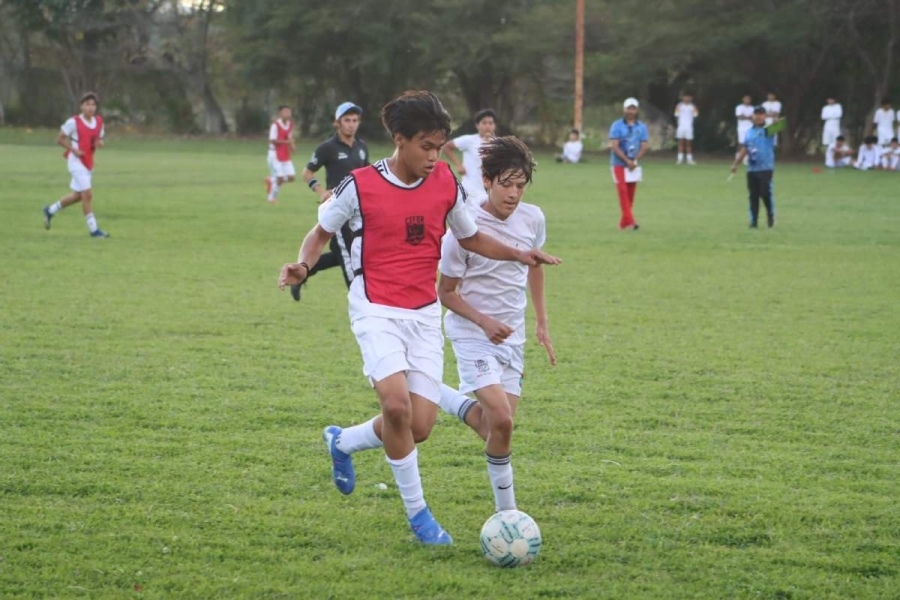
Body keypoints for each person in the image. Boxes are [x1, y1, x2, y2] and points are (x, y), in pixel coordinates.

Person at [277, 91, 560, 545]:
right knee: (396, 406)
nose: (433, 156)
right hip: (374, 307)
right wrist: (303, 266)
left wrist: (519, 254)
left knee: (418, 427)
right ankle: (419, 516)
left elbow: (470, 238)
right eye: (426, 147)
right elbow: (320, 233)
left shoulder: (445, 181)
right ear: (399, 139)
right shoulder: (359, 185)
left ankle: (342, 441)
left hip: (423, 313)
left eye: (439, 147)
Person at [436, 136, 555, 514]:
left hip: (512, 337)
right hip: (472, 332)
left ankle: (433, 392)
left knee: (494, 429)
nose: (514, 194)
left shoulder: (533, 218)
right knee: (503, 420)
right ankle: (508, 515)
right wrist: (484, 322)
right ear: (486, 180)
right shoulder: (464, 225)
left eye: (521, 185)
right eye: (506, 184)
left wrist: (541, 322)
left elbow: (534, 266)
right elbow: (446, 292)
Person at [290, 102, 369, 299]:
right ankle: (360, 298)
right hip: (338, 210)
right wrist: (321, 191)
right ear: (337, 123)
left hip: (358, 211)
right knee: (348, 256)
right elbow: (307, 173)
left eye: (355, 120)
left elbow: (367, 174)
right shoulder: (327, 148)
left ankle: (301, 273)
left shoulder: (362, 147)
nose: (351, 124)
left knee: (340, 254)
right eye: (347, 120)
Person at [42, 91, 109, 238]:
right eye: (87, 104)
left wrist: (100, 143)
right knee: (88, 195)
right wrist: (73, 149)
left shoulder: (99, 122)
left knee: (78, 196)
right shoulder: (73, 122)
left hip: (88, 162)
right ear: (81, 106)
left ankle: (50, 211)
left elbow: (98, 140)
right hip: (75, 162)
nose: (90, 107)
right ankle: (94, 230)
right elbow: (59, 139)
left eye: (93, 105)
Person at [731, 106, 776, 229]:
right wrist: (736, 163)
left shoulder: (768, 129)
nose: (758, 116)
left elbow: (780, 125)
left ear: (765, 116)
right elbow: (745, 148)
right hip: (752, 168)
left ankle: (770, 214)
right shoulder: (749, 132)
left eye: (761, 114)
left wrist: (775, 120)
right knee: (753, 196)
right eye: (756, 114)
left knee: (765, 193)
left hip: (766, 168)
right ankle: (753, 221)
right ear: (753, 116)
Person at [441, 108, 497, 205]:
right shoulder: (469, 140)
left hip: (489, 190)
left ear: (494, 125)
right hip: (470, 189)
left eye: (490, 123)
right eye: (484, 123)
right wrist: (458, 164)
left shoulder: (498, 144)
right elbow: (446, 147)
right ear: (477, 125)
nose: (487, 126)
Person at [609, 97, 648, 231]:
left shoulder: (641, 127)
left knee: (630, 194)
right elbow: (614, 145)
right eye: (628, 108)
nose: (630, 111)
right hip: (618, 163)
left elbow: (644, 146)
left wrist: (634, 160)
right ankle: (631, 221)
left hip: (633, 164)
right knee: (622, 190)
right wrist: (626, 160)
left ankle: (623, 223)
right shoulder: (617, 125)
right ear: (624, 109)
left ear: (636, 110)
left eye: (633, 109)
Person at [265, 105, 296, 203]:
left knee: (291, 177)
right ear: (280, 113)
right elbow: (272, 140)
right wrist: (287, 142)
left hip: (284, 153)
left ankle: (271, 180)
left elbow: (289, 138)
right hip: (274, 154)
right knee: (281, 178)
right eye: (285, 111)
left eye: (289, 112)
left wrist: (292, 146)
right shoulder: (275, 125)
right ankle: (271, 198)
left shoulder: (290, 124)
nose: (288, 114)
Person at [674, 93, 698, 165]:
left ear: (691, 98)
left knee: (689, 144)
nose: (687, 98)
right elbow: (676, 114)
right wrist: (678, 109)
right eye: (685, 97)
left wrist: (695, 109)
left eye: (688, 97)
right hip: (681, 127)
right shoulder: (679, 105)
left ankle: (689, 160)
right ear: (683, 97)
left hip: (689, 127)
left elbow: (696, 114)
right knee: (680, 143)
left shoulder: (692, 106)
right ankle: (679, 159)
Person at [735, 95, 754, 159]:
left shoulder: (752, 108)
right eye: (746, 99)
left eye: (748, 99)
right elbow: (740, 117)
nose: (747, 100)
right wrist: (749, 117)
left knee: (749, 143)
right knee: (741, 143)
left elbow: (753, 118)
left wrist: (745, 116)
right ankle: (737, 157)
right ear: (743, 99)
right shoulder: (739, 107)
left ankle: (747, 158)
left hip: (750, 127)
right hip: (741, 128)